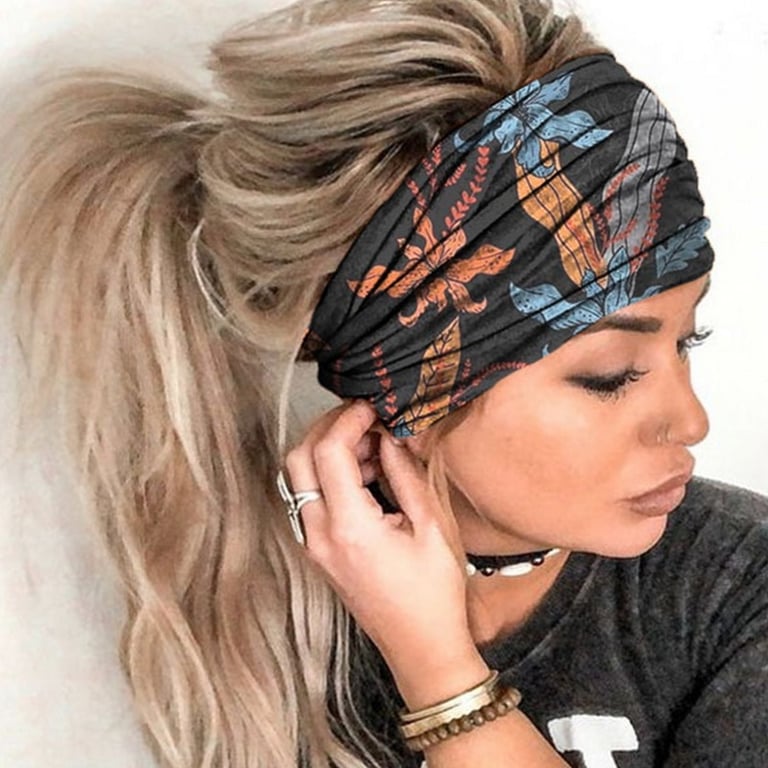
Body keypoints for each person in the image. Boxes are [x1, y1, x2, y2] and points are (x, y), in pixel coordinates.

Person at [0, 1, 766, 767]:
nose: (691, 420)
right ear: (411, 395)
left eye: (688, 340)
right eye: (609, 376)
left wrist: (442, 674)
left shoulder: (736, 590)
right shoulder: (258, 617)